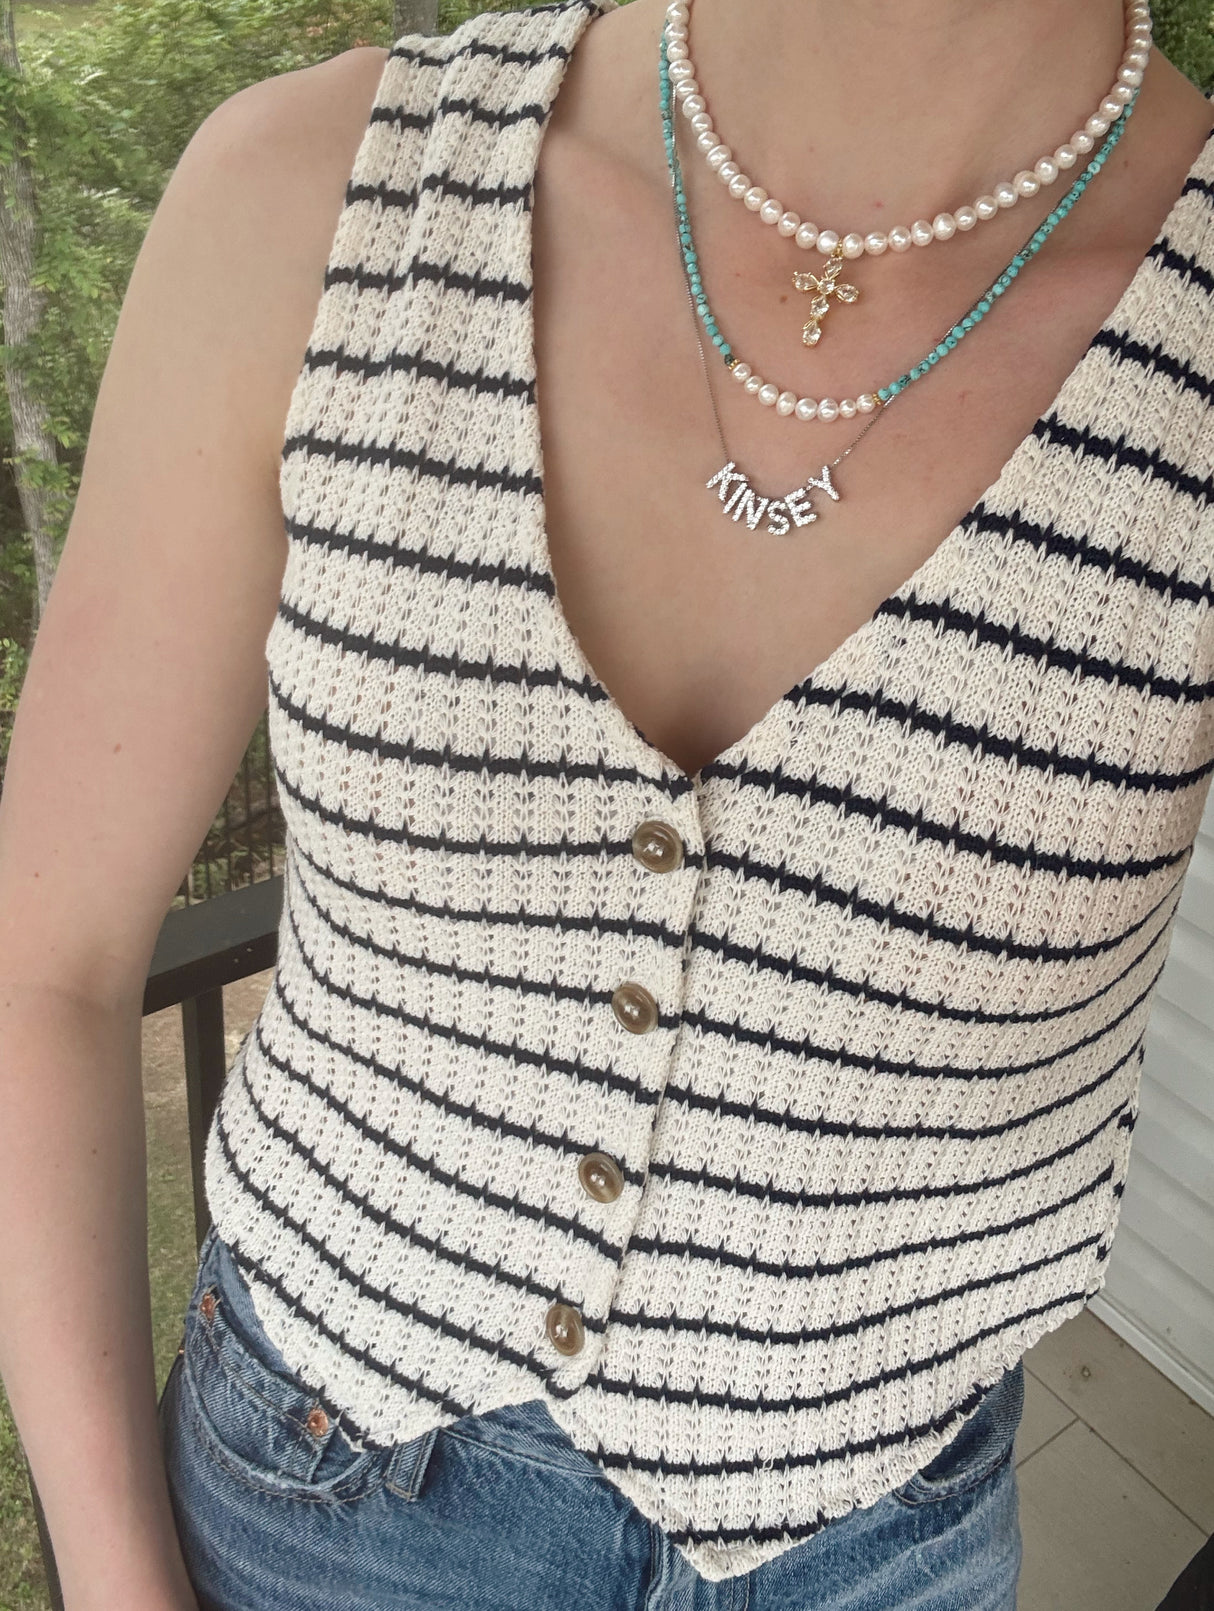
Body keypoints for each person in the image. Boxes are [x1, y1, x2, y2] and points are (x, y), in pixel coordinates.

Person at [0, 0, 1211, 1607]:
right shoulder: (319, 191)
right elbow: (48, 966)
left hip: (878, 1541)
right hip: (313, 1507)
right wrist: (112, 1582)